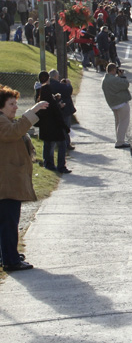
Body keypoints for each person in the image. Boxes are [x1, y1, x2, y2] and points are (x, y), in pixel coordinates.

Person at [0, 86, 48, 272]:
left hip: (8, 181)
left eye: (16, 104)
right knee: (9, 223)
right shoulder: (2, 121)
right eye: (11, 104)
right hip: (6, 183)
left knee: (7, 222)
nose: (15, 107)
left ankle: (8, 254)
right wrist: (31, 112)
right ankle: (10, 261)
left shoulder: (5, 120)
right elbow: (13, 132)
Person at [35, 71, 70, 173]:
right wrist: (65, 127)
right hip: (54, 127)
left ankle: (48, 163)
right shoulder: (50, 97)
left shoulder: (40, 96)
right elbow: (56, 114)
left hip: (45, 126)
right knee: (62, 145)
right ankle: (61, 166)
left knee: (48, 145)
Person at [102, 63, 132, 149]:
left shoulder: (105, 80)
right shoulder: (113, 80)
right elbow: (125, 84)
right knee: (124, 122)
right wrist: (121, 76)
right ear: (113, 70)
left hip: (113, 104)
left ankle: (119, 139)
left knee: (118, 122)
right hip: (121, 103)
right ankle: (120, 142)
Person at [48, 69, 77, 150]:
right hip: (64, 109)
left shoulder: (50, 84)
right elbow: (67, 91)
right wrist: (68, 84)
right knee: (66, 127)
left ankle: (62, 144)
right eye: (57, 76)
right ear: (55, 76)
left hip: (56, 109)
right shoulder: (56, 84)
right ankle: (66, 144)